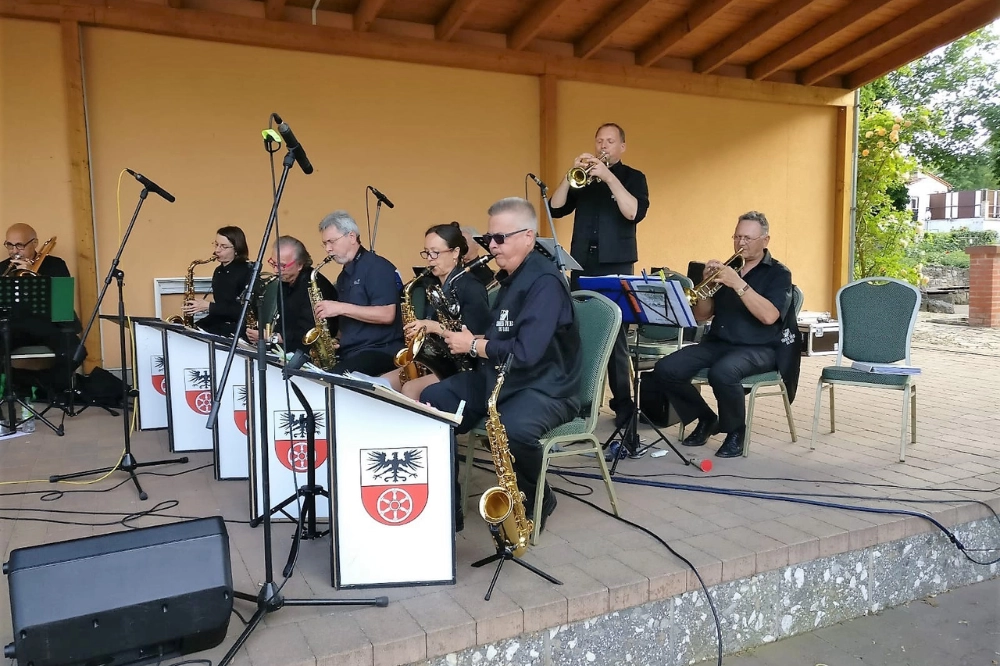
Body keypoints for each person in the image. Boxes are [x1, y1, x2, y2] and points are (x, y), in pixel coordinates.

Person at [421, 198, 581, 532]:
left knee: (513, 429)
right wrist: (472, 338)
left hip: (546, 386)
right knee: (433, 402)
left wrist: (475, 345)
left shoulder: (544, 282)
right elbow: (506, 336)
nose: (491, 246)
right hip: (502, 377)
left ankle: (539, 496)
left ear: (528, 236)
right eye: (487, 239)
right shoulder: (510, 276)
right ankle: (448, 513)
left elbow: (526, 352)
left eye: (500, 239)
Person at [649, 211, 792, 458]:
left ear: (765, 240)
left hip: (760, 347)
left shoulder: (779, 273)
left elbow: (769, 316)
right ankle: (705, 418)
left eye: (748, 238)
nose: (741, 243)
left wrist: (738, 284)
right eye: (737, 237)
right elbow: (702, 316)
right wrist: (704, 287)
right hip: (719, 342)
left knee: (724, 372)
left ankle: (736, 431)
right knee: (665, 369)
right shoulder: (727, 268)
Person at [549, 122, 649, 431]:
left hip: (614, 265)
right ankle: (582, 403)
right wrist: (571, 174)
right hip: (581, 264)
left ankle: (623, 407)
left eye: (610, 141)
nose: (603, 146)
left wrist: (608, 177)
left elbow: (633, 212)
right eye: (599, 141)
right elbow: (555, 207)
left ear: (622, 147)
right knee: (578, 333)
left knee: (615, 339)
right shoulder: (585, 180)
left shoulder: (634, 178)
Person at [381, 222, 491, 400]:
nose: (430, 258)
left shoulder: (471, 287)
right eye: (427, 252)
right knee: (383, 383)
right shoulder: (434, 286)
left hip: (464, 367)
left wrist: (433, 327)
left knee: (410, 389)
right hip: (439, 362)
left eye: (436, 252)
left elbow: (478, 335)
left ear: (455, 252)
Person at [313, 211, 404, 376]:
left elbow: (387, 314)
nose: (328, 249)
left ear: (352, 237)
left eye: (332, 242)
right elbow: (351, 320)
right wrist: (336, 340)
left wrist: (340, 308)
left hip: (380, 351)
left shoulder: (377, 267)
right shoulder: (344, 276)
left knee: (332, 379)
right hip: (353, 352)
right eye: (325, 244)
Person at [0, 223, 83, 400]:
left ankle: (39, 385)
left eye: (20, 245)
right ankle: (20, 384)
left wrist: (31, 274)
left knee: (77, 351)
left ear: (35, 243)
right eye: (9, 245)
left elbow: (62, 303)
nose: (15, 251)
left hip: (49, 325)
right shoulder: (2, 269)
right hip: (15, 327)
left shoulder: (55, 265)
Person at [246, 236, 337, 355]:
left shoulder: (313, 285)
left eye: (282, 266)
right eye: (273, 263)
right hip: (289, 349)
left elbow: (308, 332)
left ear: (299, 265)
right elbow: (283, 323)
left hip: (312, 352)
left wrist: (271, 337)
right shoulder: (285, 281)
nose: (276, 270)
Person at [182, 226, 252, 337]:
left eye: (223, 247)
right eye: (216, 244)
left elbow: (245, 311)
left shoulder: (248, 271)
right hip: (220, 322)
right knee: (186, 332)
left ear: (237, 249)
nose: (217, 250)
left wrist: (208, 306)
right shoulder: (219, 271)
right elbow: (221, 308)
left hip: (238, 328)